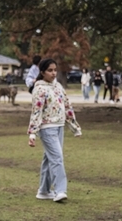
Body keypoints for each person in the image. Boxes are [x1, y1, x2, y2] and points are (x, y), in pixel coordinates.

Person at [27, 58, 82, 202]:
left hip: (59, 127)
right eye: (50, 70)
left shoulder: (58, 87)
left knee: (49, 159)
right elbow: (36, 111)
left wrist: (74, 127)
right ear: (42, 72)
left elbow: (67, 106)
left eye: (55, 70)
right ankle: (60, 191)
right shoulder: (39, 89)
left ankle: (44, 191)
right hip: (46, 129)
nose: (53, 73)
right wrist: (32, 133)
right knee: (57, 158)